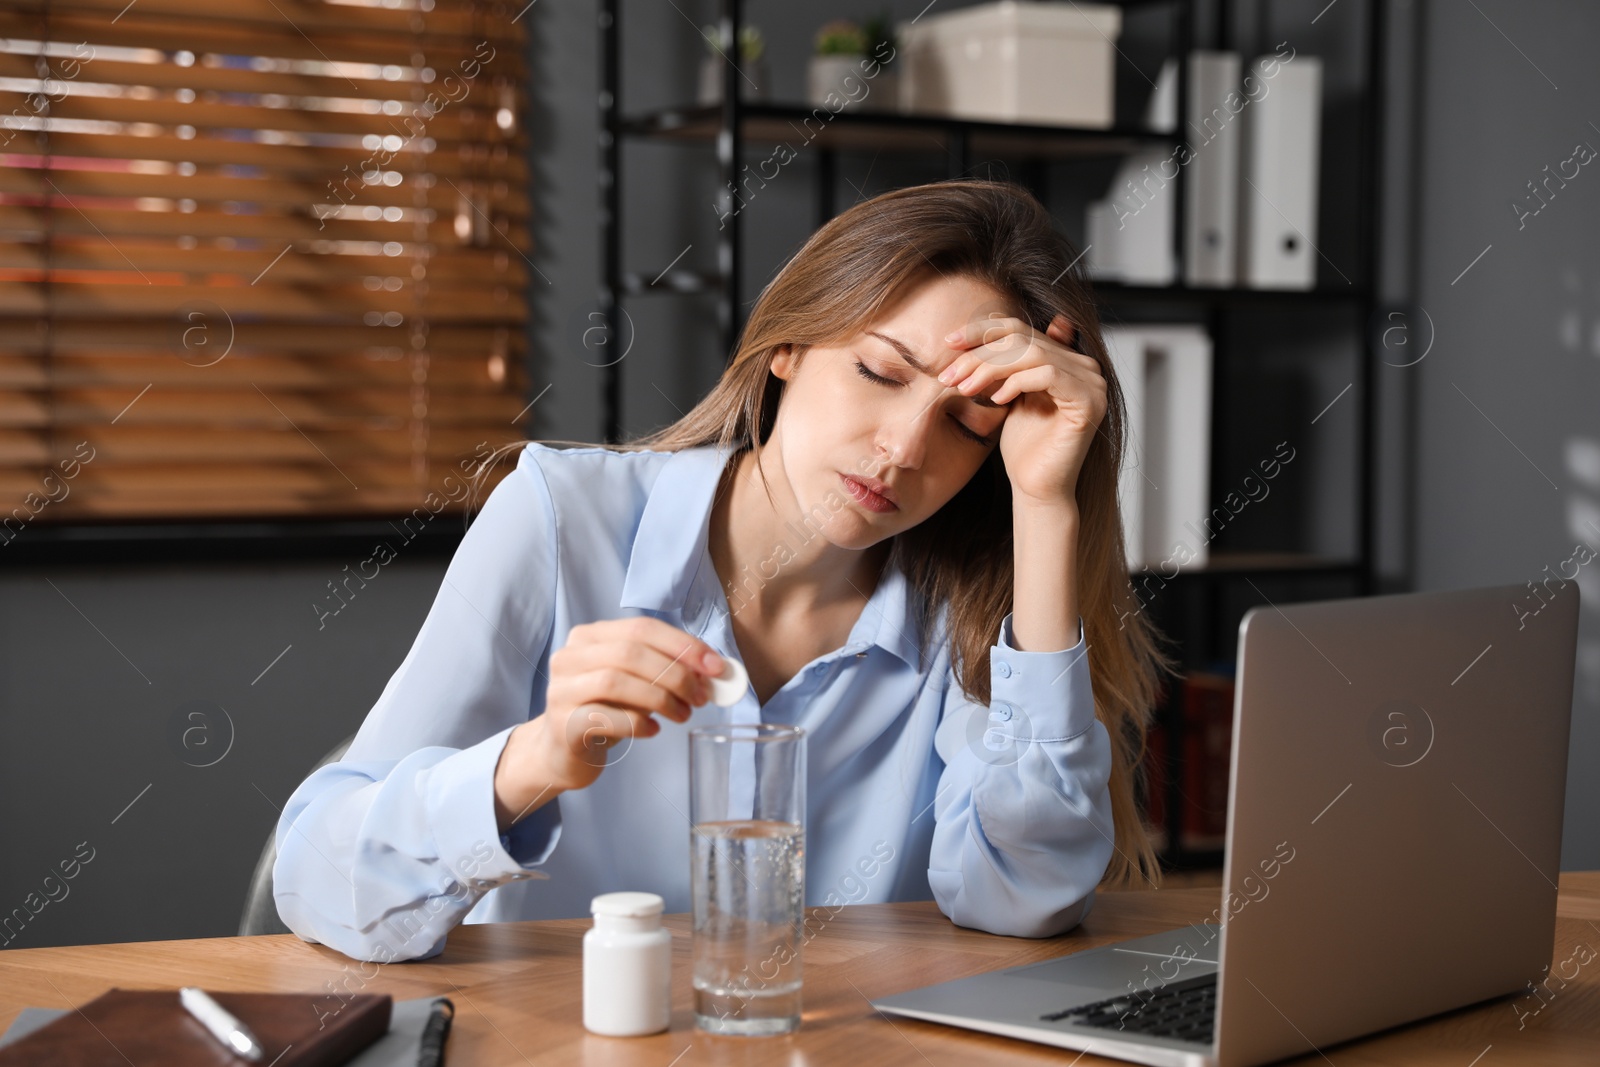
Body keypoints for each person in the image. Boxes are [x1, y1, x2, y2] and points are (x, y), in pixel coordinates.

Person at [272, 179, 1178, 963]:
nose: (903, 448)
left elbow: (1023, 899)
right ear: (786, 346)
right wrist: (532, 760)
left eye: (966, 425)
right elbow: (317, 878)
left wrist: (1046, 508)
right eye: (876, 371)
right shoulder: (558, 517)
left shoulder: (969, 600)